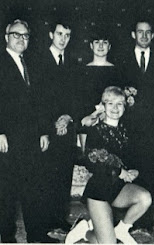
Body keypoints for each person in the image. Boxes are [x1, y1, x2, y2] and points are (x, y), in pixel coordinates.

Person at [65, 86, 152, 244]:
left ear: (125, 107)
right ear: (103, 106)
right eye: (110, 103)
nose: (115, 108)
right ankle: (85, 231)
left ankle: (122, 229)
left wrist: (134, 171)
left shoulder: (126, 131)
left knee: (145, 198)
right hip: (98, 192)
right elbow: (91, 163)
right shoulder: (95, 131)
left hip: (118, 189)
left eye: (120, 104)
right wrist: (119, 172)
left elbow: (134, 158)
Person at [0, 19, 55, 243]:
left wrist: (43, 131)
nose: (22, 39)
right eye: (16, 35)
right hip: (8, 139)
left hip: (31, 138)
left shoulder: (30, 62)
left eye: (25, 36)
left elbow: (38, 102)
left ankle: (37, 236)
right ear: (6, 37)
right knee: (7, 192)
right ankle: (7, 238)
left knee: (34, 189)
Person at [120, 18, 154, 234]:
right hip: (126, 126)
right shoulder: (121, 59)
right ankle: (125, 221)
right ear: (133, 34)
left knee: (149, 172)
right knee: (128, 170)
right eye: (140, 32)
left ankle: (146, 221)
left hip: (151, 126)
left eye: (148, 32)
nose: (144, 36)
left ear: (153, 35)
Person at [36, 19, 80, 234]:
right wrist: (52, 123)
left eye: (67, 35)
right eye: (60, 34)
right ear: (50, 34)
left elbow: (76, 97)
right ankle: (43, 222)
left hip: (67, 128)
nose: (63, 39)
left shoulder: (72, 62)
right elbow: (35, 99)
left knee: (64, 175)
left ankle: (59, 220)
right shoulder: (37, 60)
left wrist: (68, 117)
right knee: (45, 177)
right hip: (46, 130)